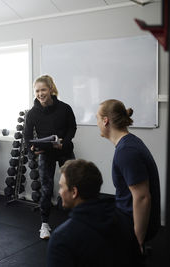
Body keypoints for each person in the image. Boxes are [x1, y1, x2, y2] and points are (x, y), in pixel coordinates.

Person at [47, 159, 143, 267]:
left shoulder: (61, 238)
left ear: (74, 192)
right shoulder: (124, 221)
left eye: (61, 187)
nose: (59, 191)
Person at [96, 99, 161, 253]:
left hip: (131, 224)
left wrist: (137, 240)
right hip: (126, 216)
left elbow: (142, 198)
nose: (97, 123)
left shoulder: (127, 151)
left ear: (105, 121)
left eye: (97, 119)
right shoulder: (129, 143)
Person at [24, 74, 77, 239]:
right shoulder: (32, 113)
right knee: (46, 189)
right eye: (37, 91)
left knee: (73, 186)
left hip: (64, 150)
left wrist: (65, 142)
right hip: (46, 153)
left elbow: (72, 128)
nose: (40, 94)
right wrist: (32, 149)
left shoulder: (65, 108)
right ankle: (44, 225)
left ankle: (76, 222)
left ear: (51, 89)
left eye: (43, 90)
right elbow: (27, 137)